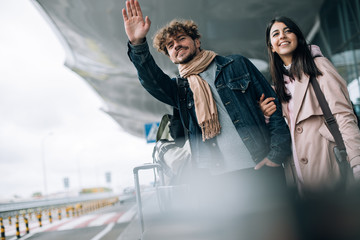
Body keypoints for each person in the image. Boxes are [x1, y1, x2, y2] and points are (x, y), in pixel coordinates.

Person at [122, 0, 292, 210]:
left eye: (181, 39)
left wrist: (276, 156)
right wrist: (138, 43)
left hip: (260, 168)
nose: (176, 46)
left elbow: (274, 110)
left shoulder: (236, 64)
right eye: (170, 46)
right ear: (170, 56)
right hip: (217, 182)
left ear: (197, 41)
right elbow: (152, 80)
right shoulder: (180, 89)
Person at [260, 16, 360, 195]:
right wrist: (266, 115)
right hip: (296, 173)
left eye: (288, 31)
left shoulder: (319, 66)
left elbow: (344, 115)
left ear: (297, 37)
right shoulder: (277, 86)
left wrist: (357, 161)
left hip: (327, 164)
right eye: (276, 34)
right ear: (271, 47)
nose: (282, 36)